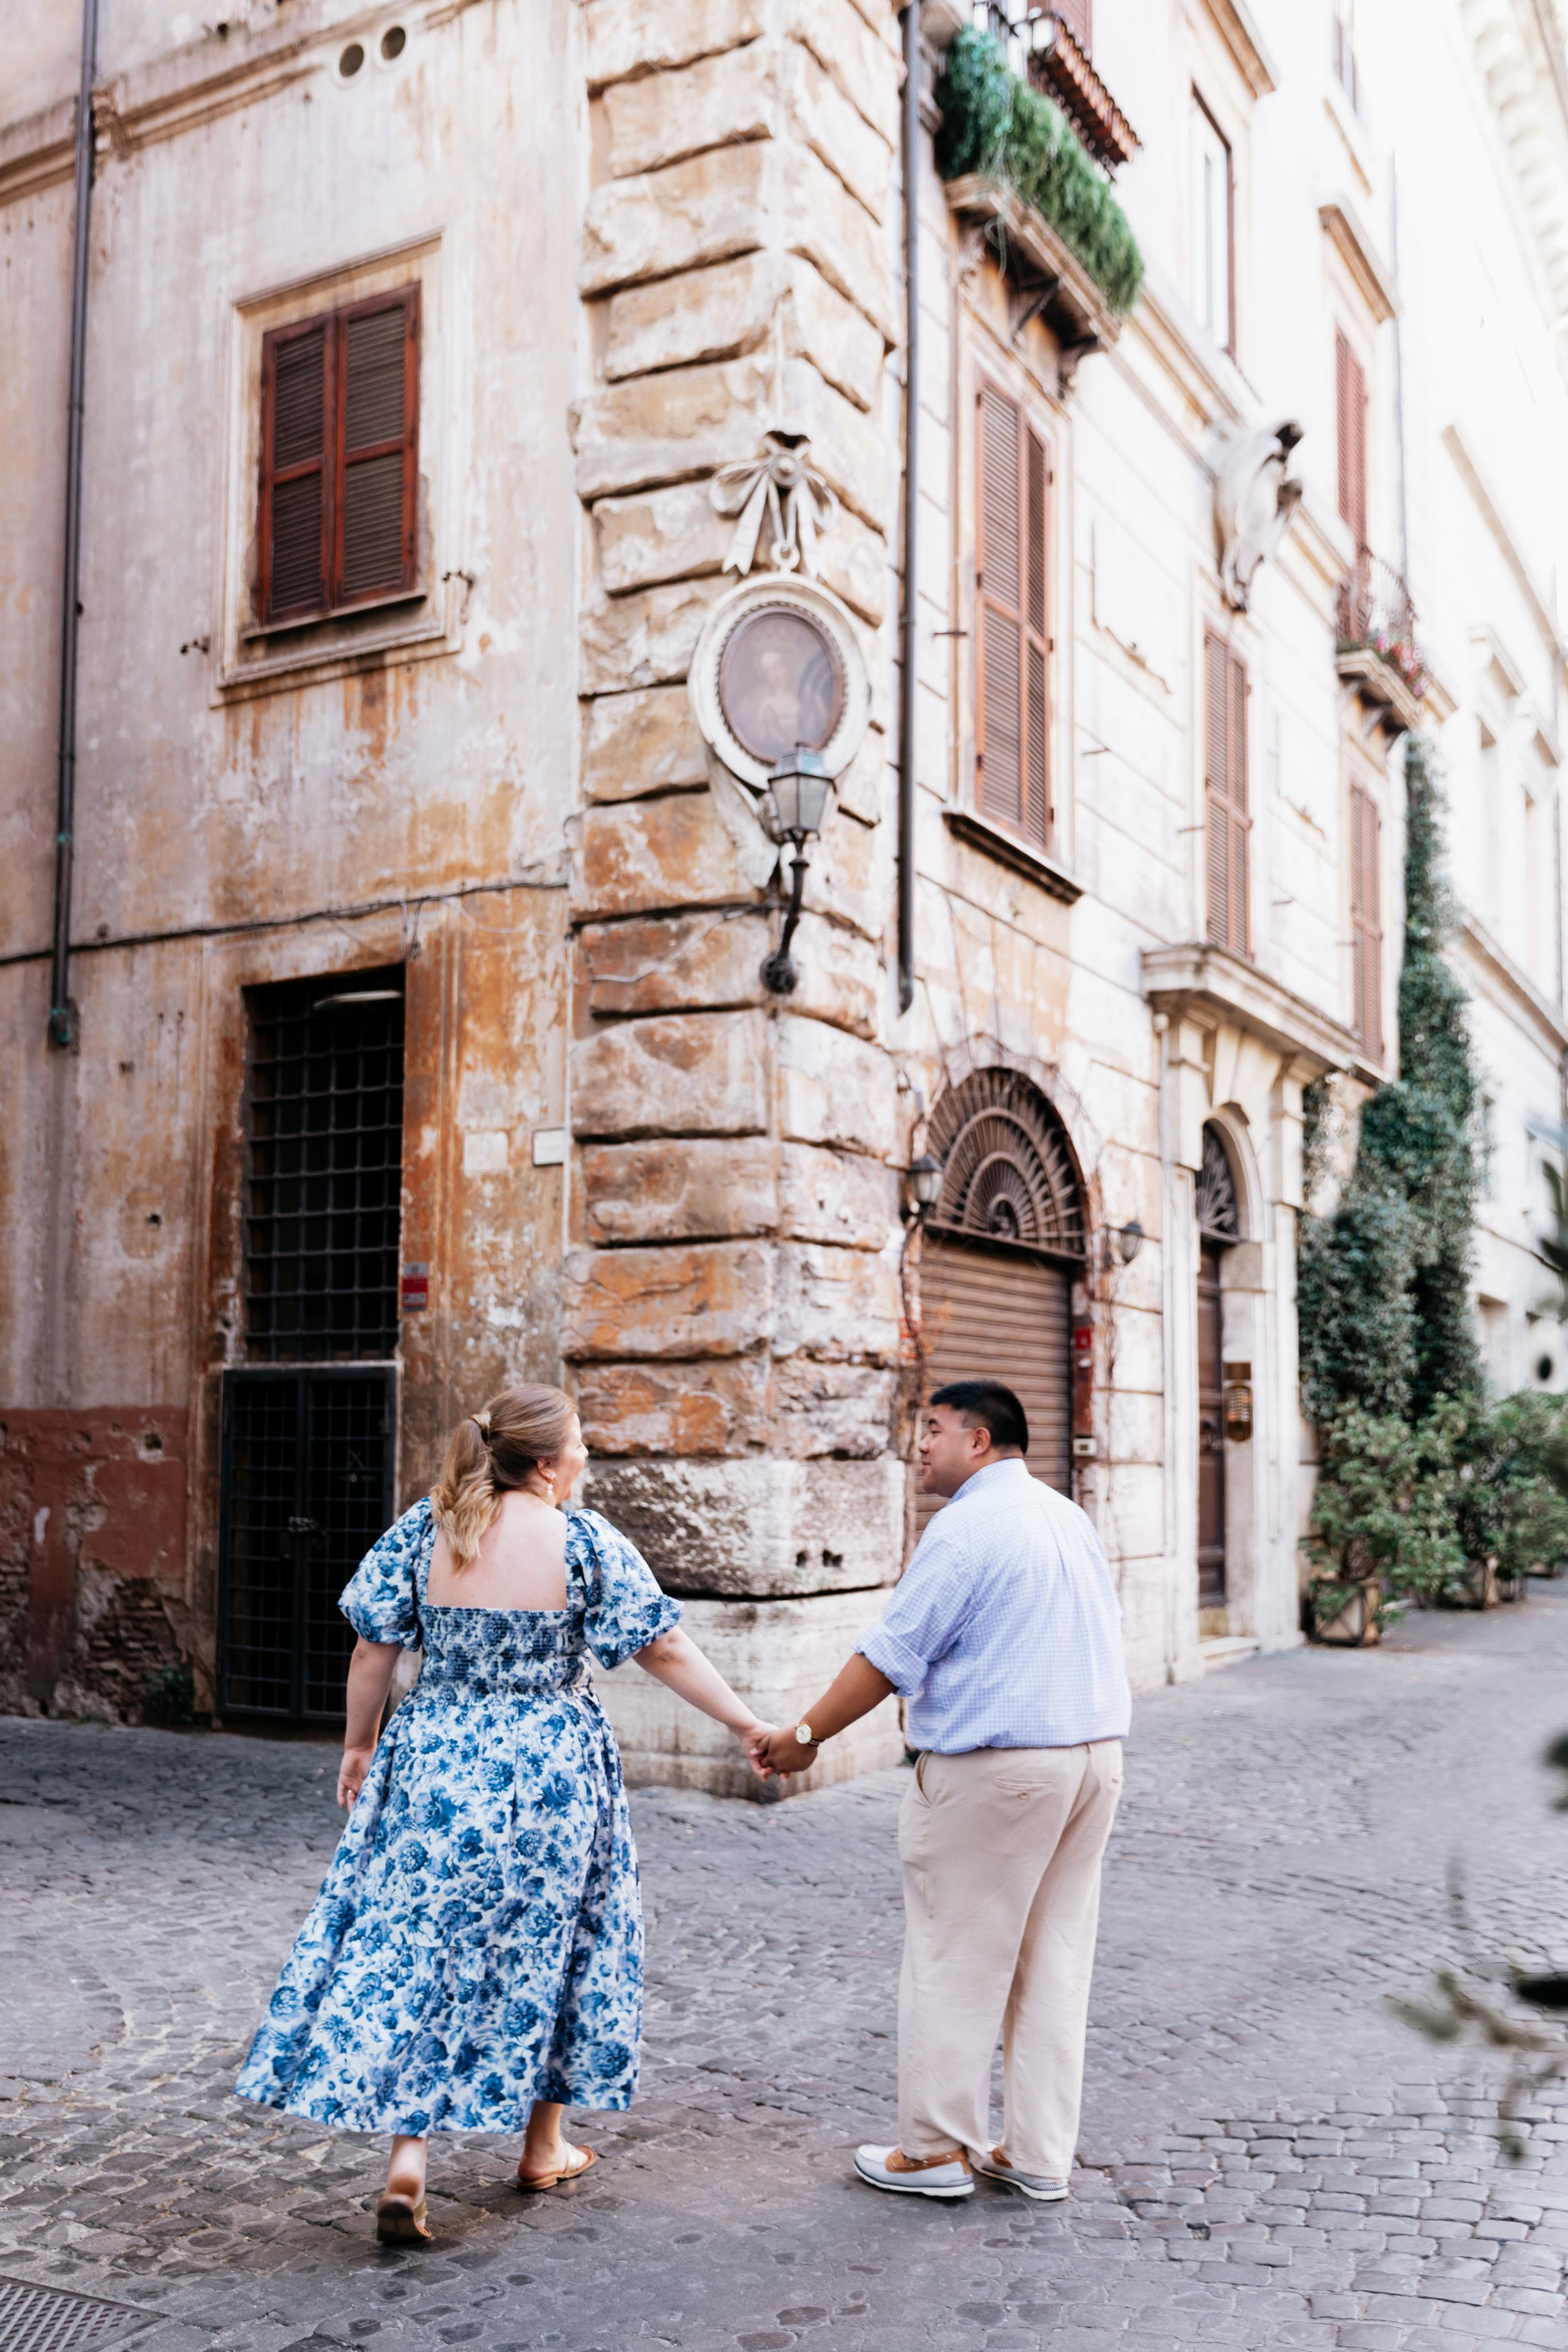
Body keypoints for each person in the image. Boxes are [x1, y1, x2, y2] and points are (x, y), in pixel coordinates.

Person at [236, 1384, 774, 2244]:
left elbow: (374, 1647)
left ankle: (408, 2162)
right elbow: (664, 1647)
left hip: (437, 1764)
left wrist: (356, 1745)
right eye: (583, 1443)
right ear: (551, 1460)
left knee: (422, 1943)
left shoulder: (430, 1528)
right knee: (562, 1936)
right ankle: (543, 2147)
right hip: (552, 1771)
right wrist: (749, 1723)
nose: (590, 1454)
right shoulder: (583, 1541)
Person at [760, 1378, 1131, 2204]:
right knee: (1054, 1960)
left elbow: (890, 1656)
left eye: (933, 1429)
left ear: (981, 1441)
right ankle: (1036, 2154)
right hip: (1093, 1761)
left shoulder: (966, 1528)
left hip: (999, 1772)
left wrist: (803, 1741)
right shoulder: (1067, 1518)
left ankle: (932, 2153)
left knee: (954, 1957)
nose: (918, 1444)